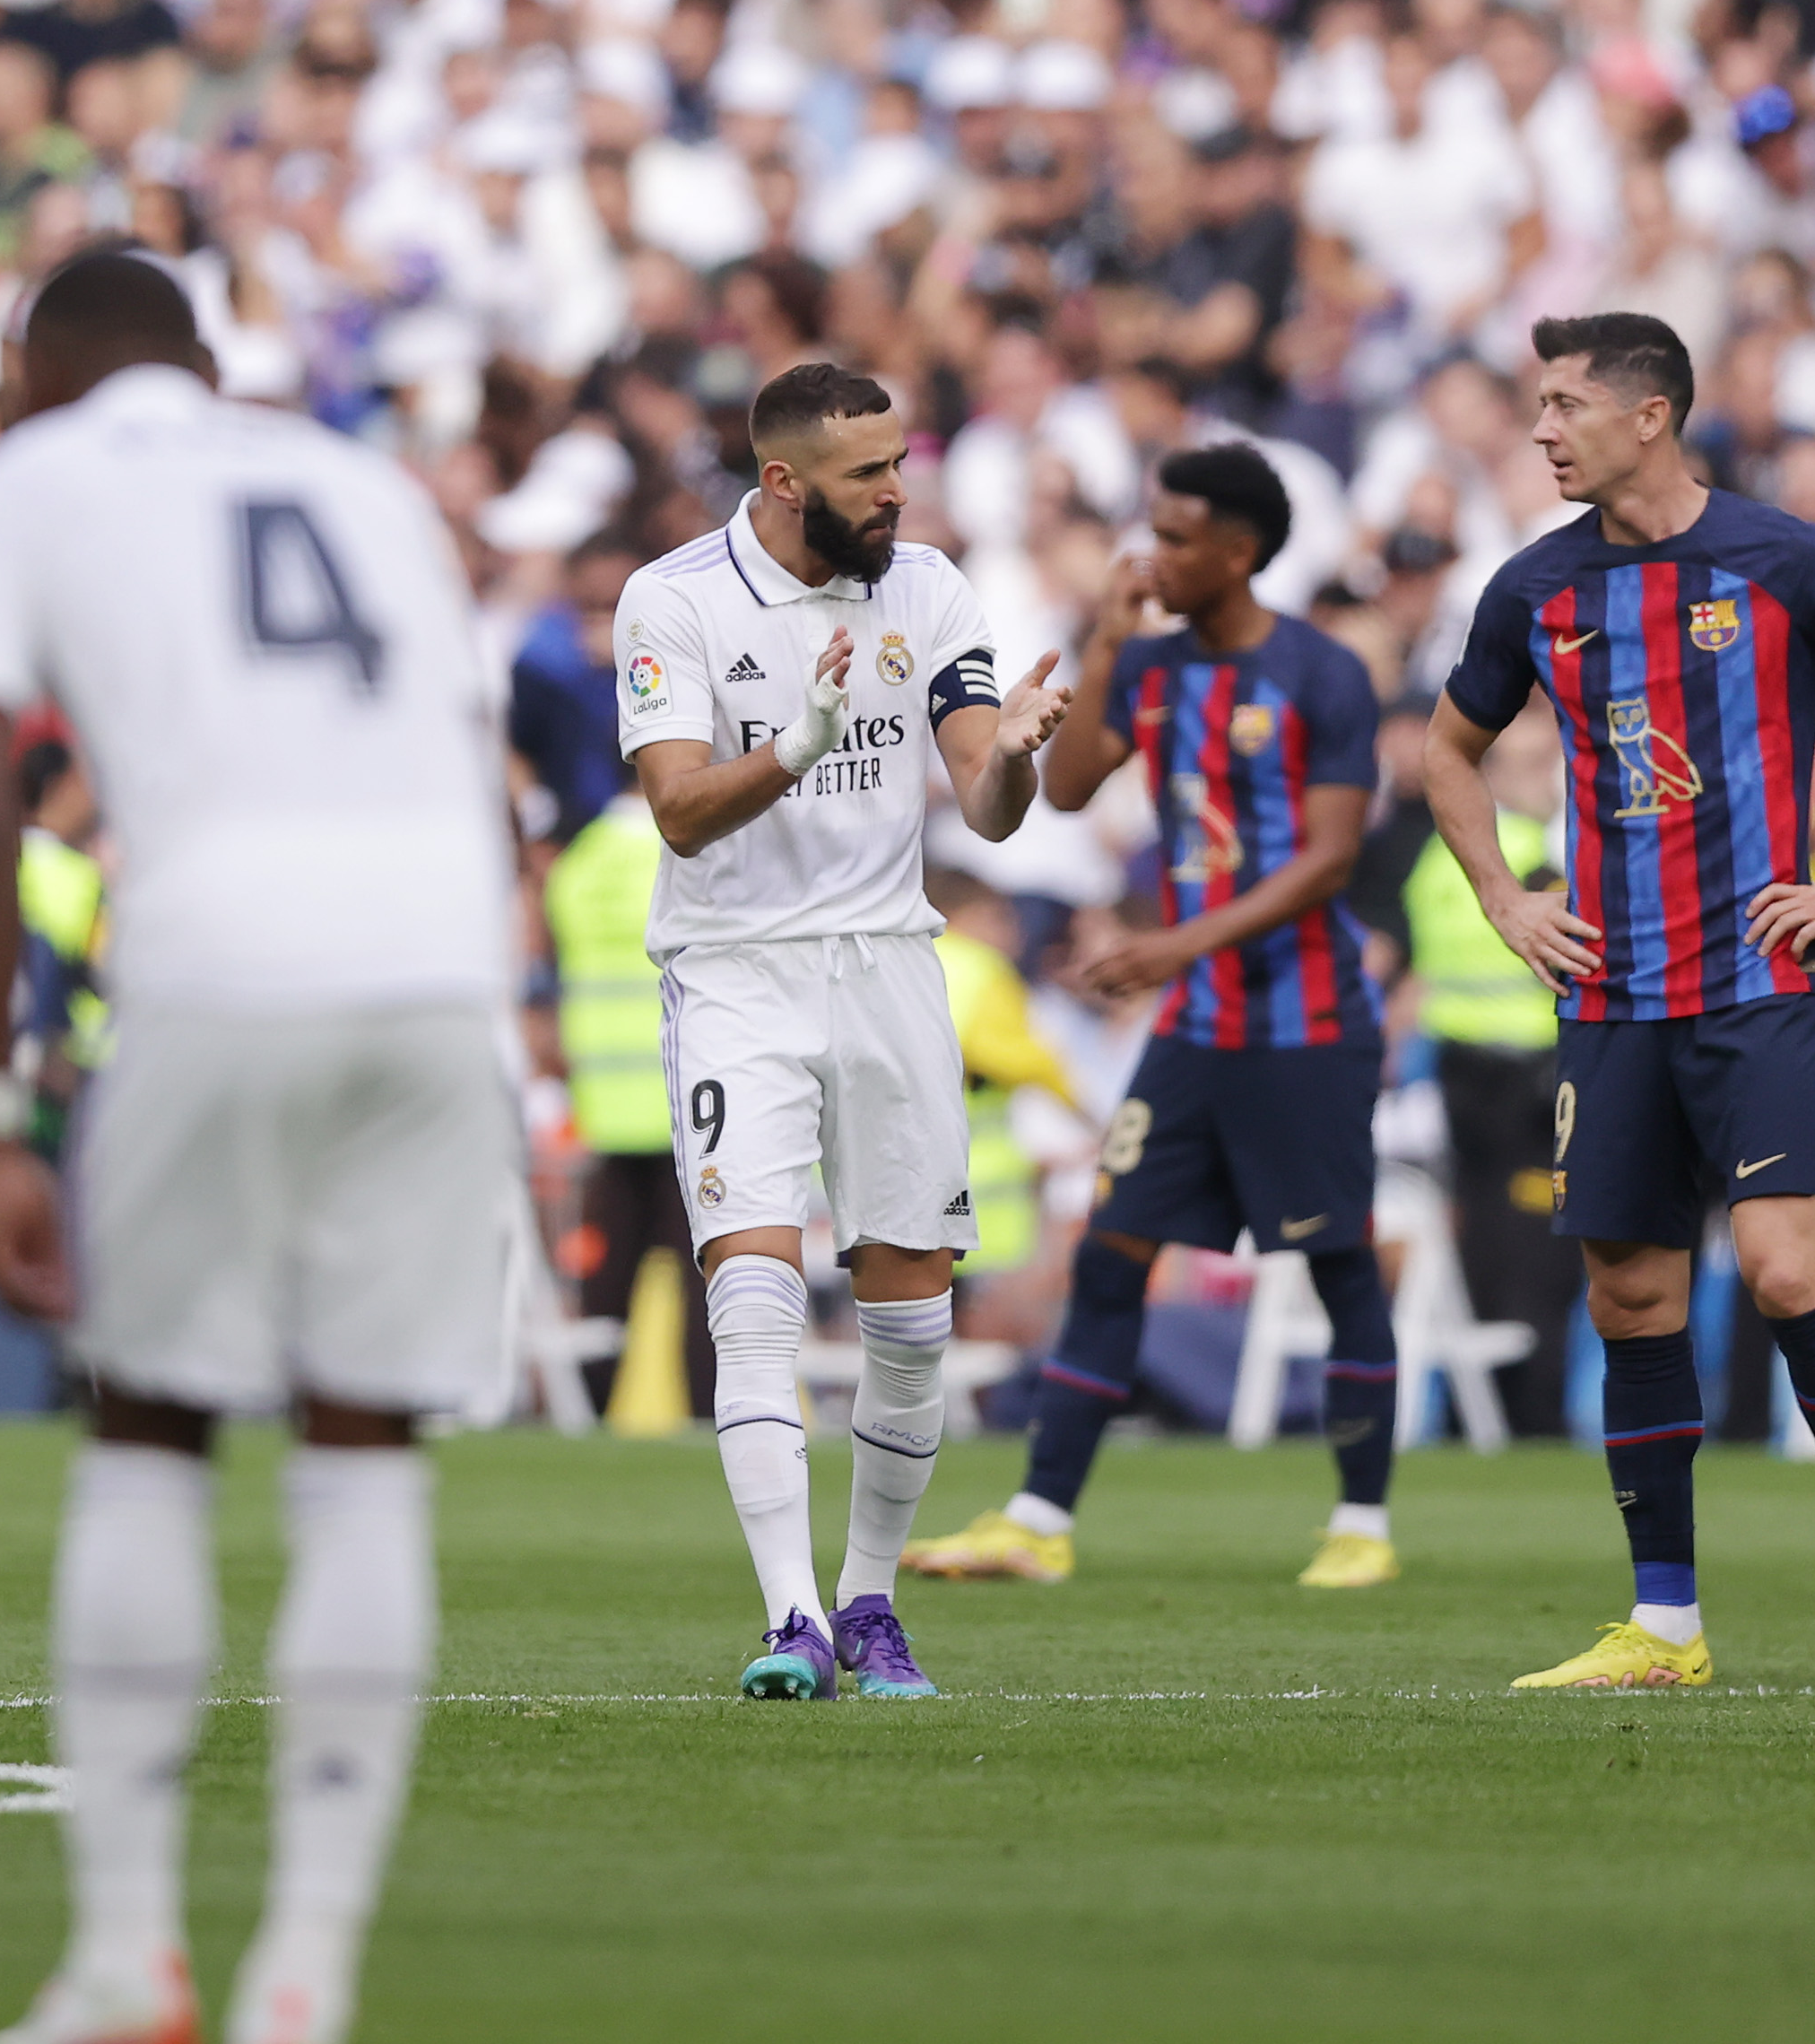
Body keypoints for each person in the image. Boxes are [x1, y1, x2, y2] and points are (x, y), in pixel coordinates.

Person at [0, 248, 515, 2044]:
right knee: (364, 1448)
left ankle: (125, 1959)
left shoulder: (12, 486)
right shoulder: (361, 481)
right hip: (441, 968)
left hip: (215, 958)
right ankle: (303, 1985)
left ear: (37, 370)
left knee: (150, 1424)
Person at [1421, 312, 1815, 1692]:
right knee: (1629, 1298)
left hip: (1753, 985)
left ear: (1649, 415)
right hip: (1610, 998)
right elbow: (1445, 752)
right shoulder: (1532, 589)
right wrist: (1506, 901)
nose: (1541, 427)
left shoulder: (1784, 558)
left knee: (1787, 1269)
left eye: (1564, 403)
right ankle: (1665, 1627)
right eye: (1535, 403)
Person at [612, 361, 1069, 1702]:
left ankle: (871, 1601)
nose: (893, 490)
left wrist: (1021, 754)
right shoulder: (676, 597)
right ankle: (792, 1618)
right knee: (751, 1301)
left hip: (886, 969)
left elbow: (983, 803)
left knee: (910, 1324)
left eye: (898, 463)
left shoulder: (925, 587)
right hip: (737, 972)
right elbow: (680, 813)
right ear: (781, 481)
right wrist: (798, 742)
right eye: (867, 473)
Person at [911, 445, 1401, 1588]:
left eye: (1175, 536)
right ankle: (1037, 1518)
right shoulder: (1153, 665)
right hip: (1196, 1029)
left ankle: (1362, 1526)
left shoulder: (1321, 672)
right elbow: (1072, 786)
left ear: (1237, 553)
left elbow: (1330, 857)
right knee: (1112, 1249)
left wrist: (1176, 942)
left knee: (1334, 1263)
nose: (1151, 551)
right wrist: (1104, 640)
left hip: (1307, 1023)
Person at [1402, 715, 1581, 1442]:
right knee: (1539, 1255)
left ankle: (1472, 1414)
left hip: (1460, 1075)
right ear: (1498, 774)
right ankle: (1533, 1417)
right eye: (1537, 766)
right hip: (1531, 1086)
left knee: (1481, 1245)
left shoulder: (1438, 859)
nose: (1550, 782)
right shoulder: (1537, 856)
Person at [543, 779, 716, 1420]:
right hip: (692, 1100)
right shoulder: (698, 850)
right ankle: (709, 1418)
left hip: (608, 1106)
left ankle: (587, 1414)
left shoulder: (579, 866)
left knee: (606, 1283)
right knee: (707, 1277)